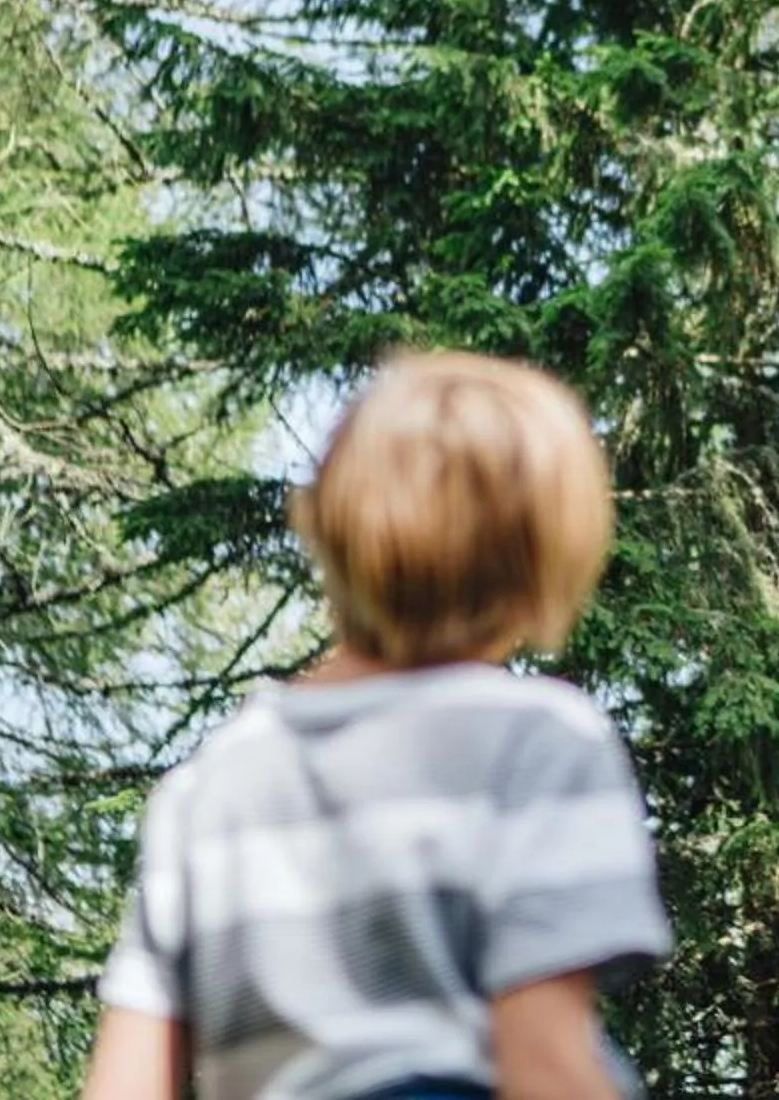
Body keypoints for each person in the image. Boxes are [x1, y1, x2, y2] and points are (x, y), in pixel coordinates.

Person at [80, 352, 668, 1100]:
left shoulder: (210, 784)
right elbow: (545, 1063)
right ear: (539, 565)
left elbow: (125, 1084)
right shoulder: (538, 741)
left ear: (329, 530)